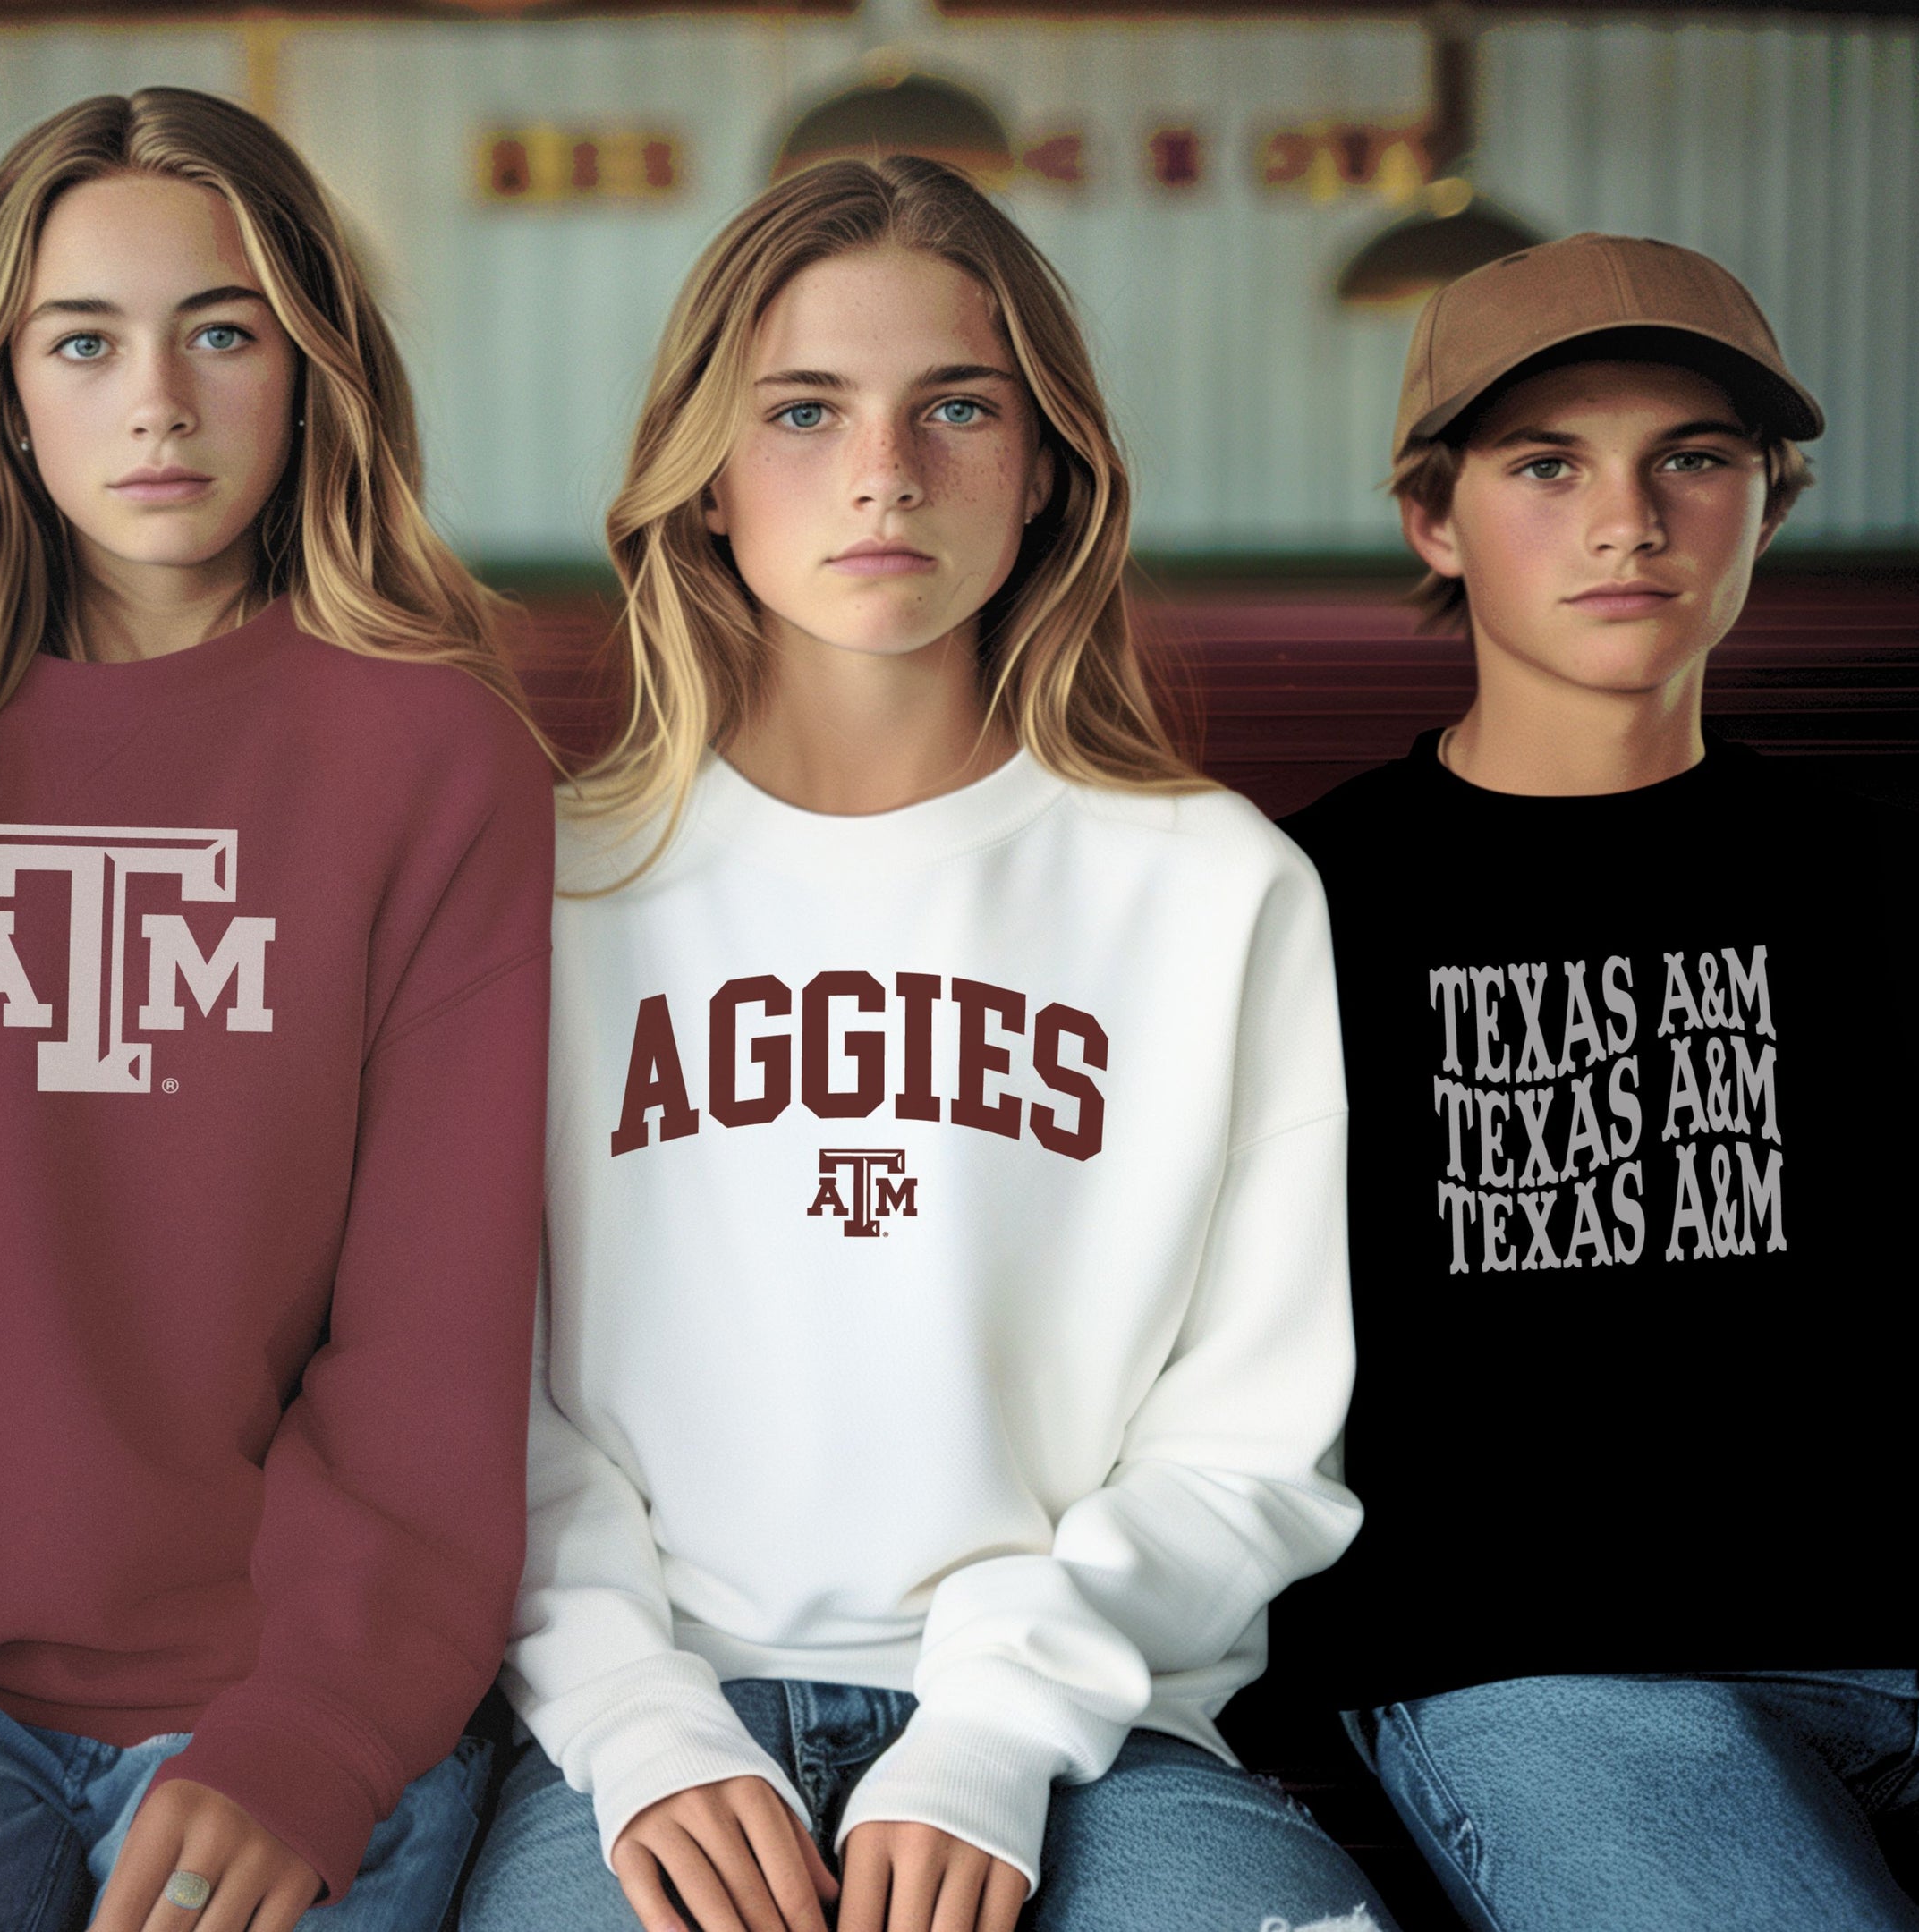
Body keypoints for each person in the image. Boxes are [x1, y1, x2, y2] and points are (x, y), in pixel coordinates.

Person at [461, 155, 1389, 1932]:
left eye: (957, 405)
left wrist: (994, 1730)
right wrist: (641, 1724)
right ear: (707, 481)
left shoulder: (1217, 892)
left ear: (1048, 471)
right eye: (803, 410)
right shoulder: (548, 888)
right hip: (650, 1737)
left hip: (1093, 1733)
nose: (885, 470)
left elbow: (1255, 1442)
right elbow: (477, 1404)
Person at [0, 89, 553, 1932]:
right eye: (83, 341)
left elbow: (434, 1328)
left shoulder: (435, 757)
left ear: (312, 369)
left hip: (286, 1686)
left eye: (221, 332)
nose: (157, 400)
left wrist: (317, 1724)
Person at [1278, 232, 1919, 1931]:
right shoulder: (1288, 912)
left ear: (1768, 508)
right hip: (1556, 1668)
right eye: (1548, 465)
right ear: (1433, 518)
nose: (1630, 518)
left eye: (1693, 459)